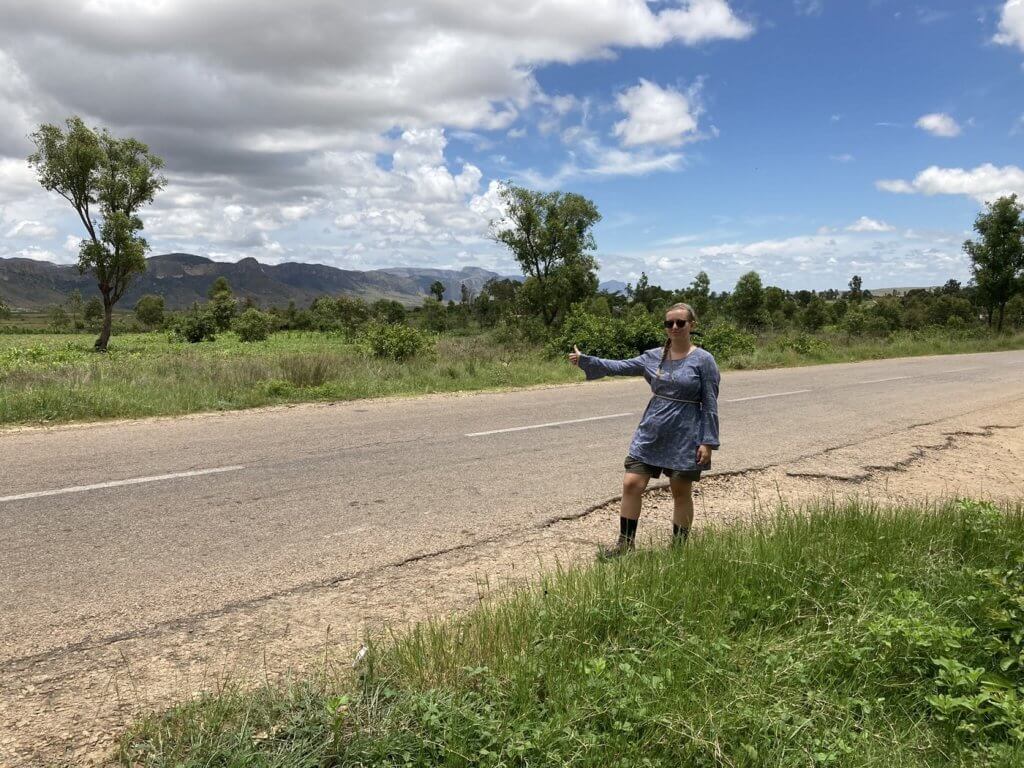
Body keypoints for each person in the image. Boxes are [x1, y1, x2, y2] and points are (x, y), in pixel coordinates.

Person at [569, 302, 720, 557]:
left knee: (680, 490)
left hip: (686, 433)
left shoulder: (704, 360)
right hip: (653, 428)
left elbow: (710, 402)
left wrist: (708, 442)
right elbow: (620, 366)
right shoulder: (653, 356)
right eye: (669, 323)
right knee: (631, 483)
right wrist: (586, 361)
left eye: (680, 323)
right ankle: (625, 545)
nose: (674, 327)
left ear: (692, 326)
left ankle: (679, 550)